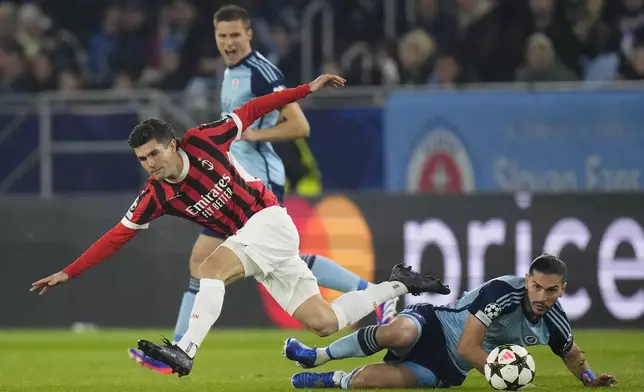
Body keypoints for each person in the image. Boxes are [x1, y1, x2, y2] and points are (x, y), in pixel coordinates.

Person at [31, 75, 451, 378]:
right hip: (257, 244)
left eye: (155, 153)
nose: (151, 164)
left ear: (173, 145)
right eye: (143, 159)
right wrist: (69, 271)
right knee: (323, 322)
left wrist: (306, 90)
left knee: (209, 267)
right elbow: (115, 236)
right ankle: (398, 285)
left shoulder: (204, 139)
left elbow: (255, 108)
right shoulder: (154, 196)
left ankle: (185, 349)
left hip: (268, 220)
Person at [129, 4, 398, 373]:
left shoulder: (261, 72)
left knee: (206, 261)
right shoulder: (231, 73)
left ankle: (179, 347)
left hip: (257, 181)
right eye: (222, 36)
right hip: (235, 181)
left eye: (235, 35)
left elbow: (299, 126)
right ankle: (374, 292)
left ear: (249, 34)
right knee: (285, 261)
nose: (228, 43)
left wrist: (255, 133)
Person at [285, 254, 618, 389]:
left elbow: (570, 352)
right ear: (527, 280)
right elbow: (467, 345)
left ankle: (333, 379)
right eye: (537, 286)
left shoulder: (555, 321)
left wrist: (588, 378)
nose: (542, 296)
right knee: (397, 333)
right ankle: (318, 355)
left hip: (447, 370)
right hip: (434, 327)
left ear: (562, 290)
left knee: (370, 380)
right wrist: (504, 374)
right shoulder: (504, 291)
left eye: (551, 290)